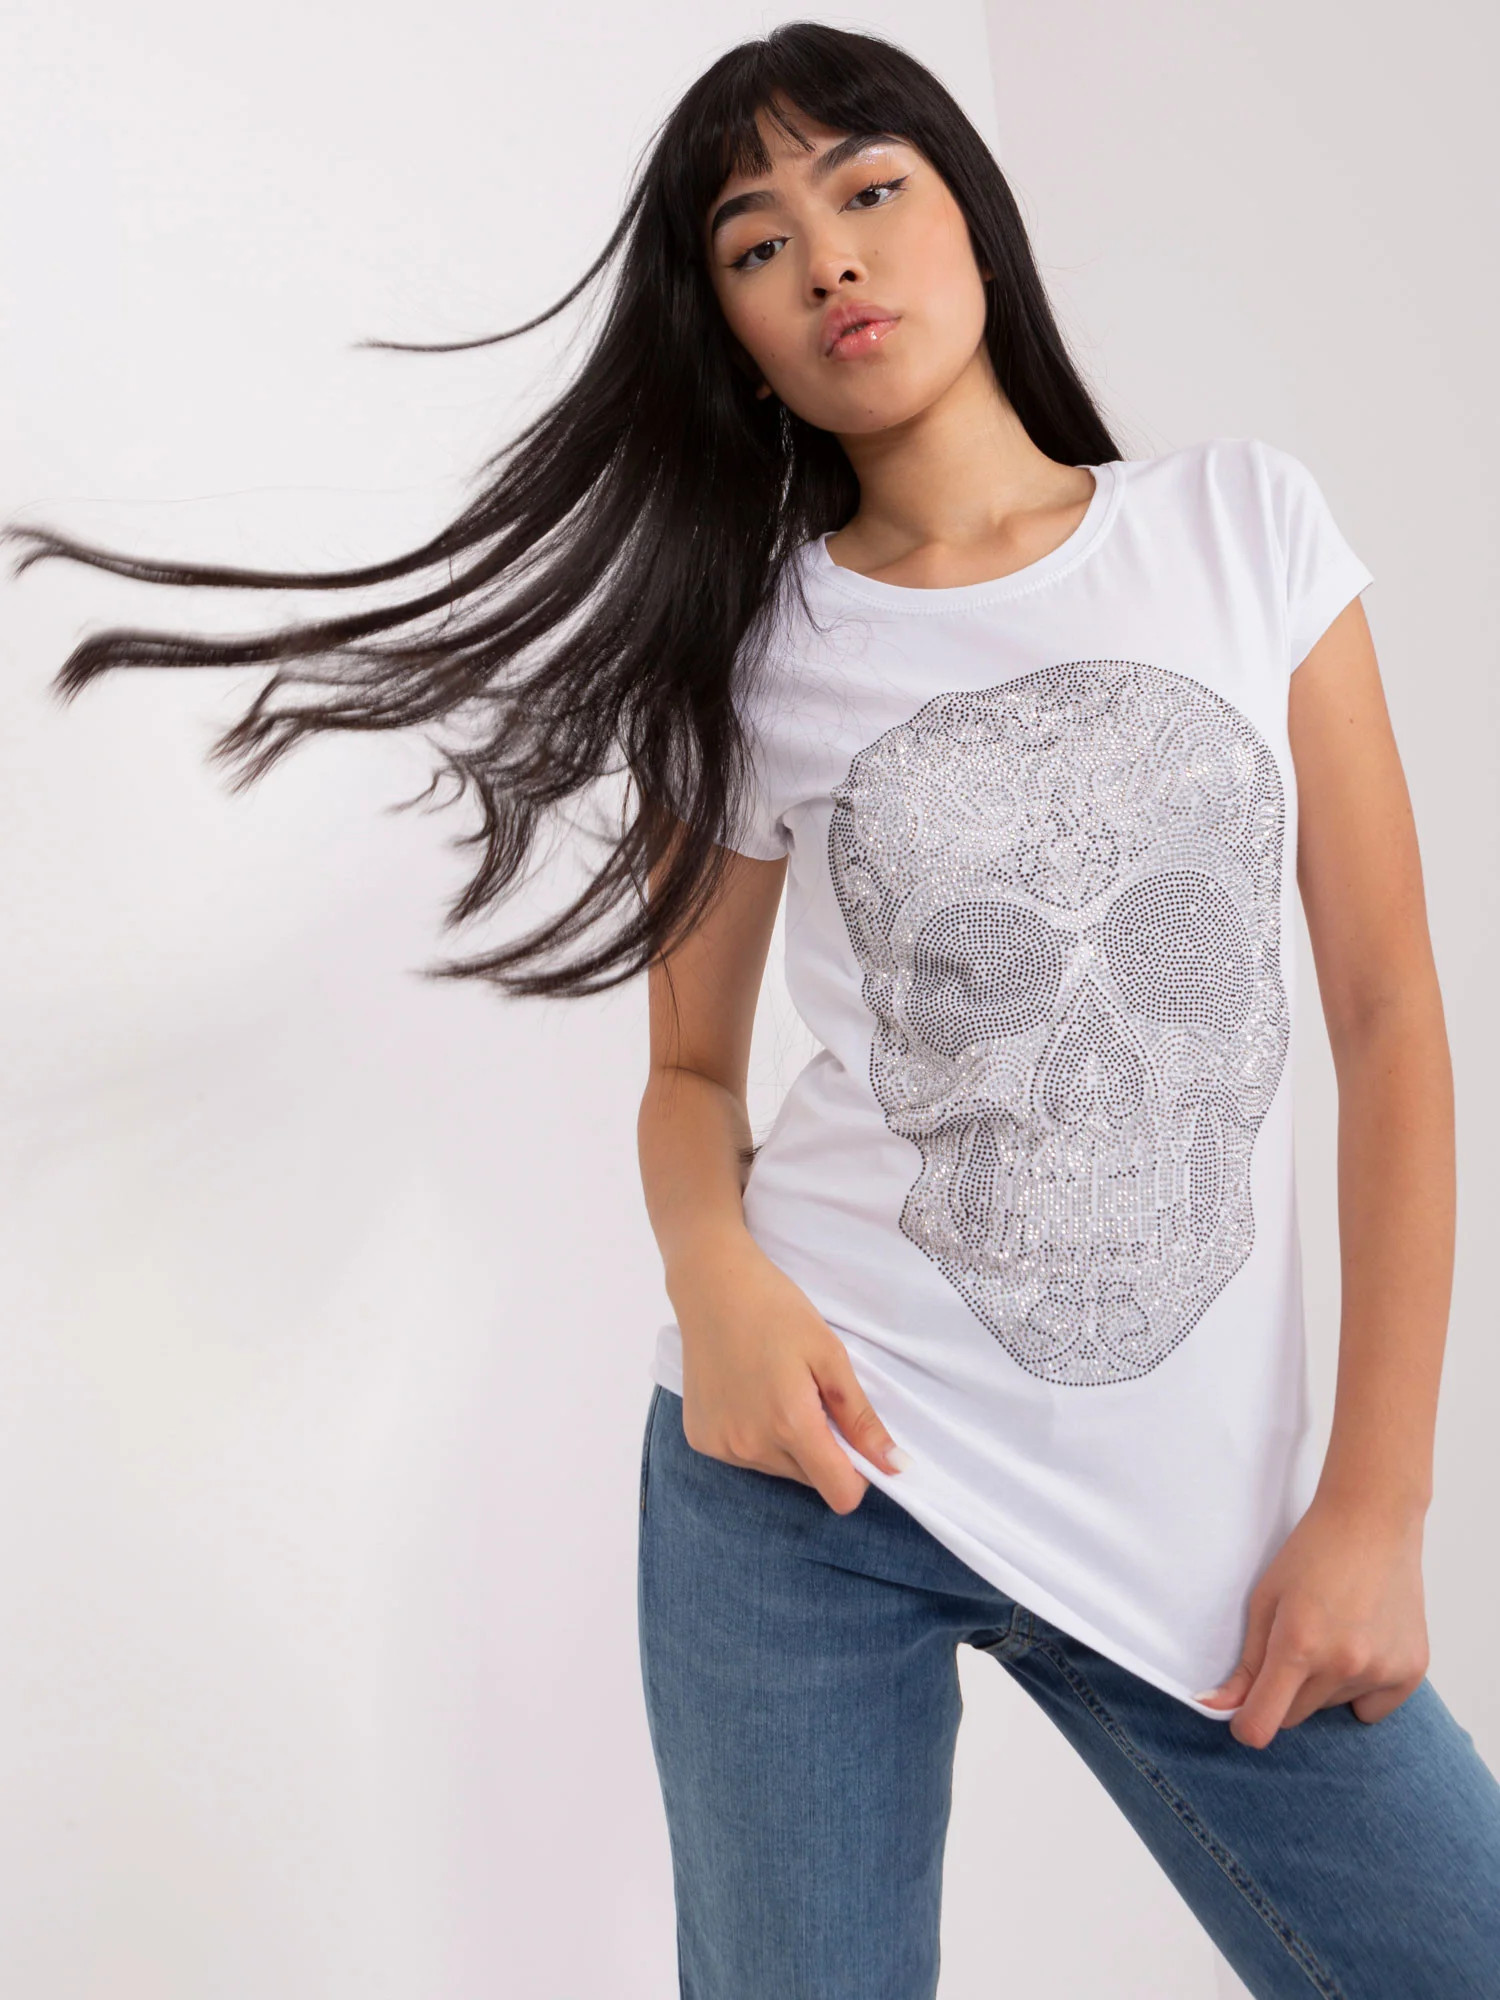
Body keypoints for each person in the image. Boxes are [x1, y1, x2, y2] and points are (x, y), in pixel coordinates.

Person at [8, 22, 1498, 1999]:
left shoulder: (1241, 533)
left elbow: (1387, 1013)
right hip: (808, 1484)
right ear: (730, 327)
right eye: (756, 244)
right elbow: (691, 1069)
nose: (829, 258)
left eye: (867, 188)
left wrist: (1378, 1499)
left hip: (1205, 1537)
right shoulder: (755, 649)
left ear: (970, 206)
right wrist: (716, 1280)